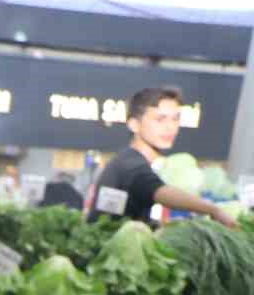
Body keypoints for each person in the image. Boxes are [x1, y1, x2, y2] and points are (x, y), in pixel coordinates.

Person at [88, 87, 238, 227]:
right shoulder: (129, 163)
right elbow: (161, 192)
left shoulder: (130, 160)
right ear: (134, 124)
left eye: (175, 119)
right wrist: (213, 210)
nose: (170, 127)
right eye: (160, 119)